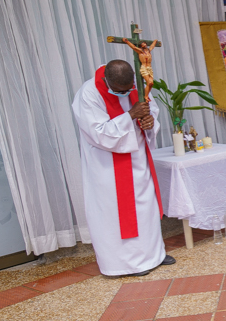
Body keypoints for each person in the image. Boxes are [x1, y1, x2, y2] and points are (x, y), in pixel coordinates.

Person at [71, 60, 173, 277]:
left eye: (128, 89)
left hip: (137, 157)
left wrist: (148, 122)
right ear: (107, 81)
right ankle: (125, 264)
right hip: (107, 163)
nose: (126, 93)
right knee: (114, 212)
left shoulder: (135, 83)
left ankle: (154, 254)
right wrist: (129, 116)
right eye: (120, 91)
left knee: (145, 207)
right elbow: (97, 133)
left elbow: (150, 109)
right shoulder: (88, 94)